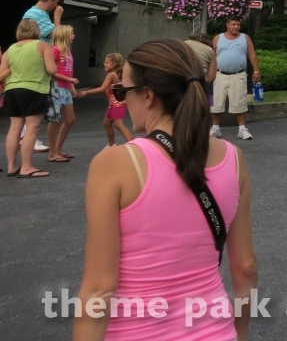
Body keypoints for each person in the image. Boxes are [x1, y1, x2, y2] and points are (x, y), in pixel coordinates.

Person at [75, 39, 257, 340]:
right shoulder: (233, 159)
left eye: (122, 91)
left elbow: (99, 288)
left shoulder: (117, 163)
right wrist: (238, 331)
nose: (121, 100)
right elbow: (246, 267)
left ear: (147, 95)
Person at [1, 19, 58, 178]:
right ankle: (27, 167)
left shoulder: (10, 49)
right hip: (34, 89)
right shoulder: (41, 46)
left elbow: (3, 71)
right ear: (36, 31)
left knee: (14, 128)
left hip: (12, 90)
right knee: (32, 128)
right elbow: (51, 69)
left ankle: (12, 166)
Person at [207, 17, 261, 141]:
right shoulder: (218, 38)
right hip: (219, 75)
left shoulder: (245, 38)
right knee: (216, 103)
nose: (236, 27)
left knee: (239, 102)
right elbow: (211, 55)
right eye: (233, 24)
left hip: (238, 75)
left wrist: (256, 70)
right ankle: (215, 128)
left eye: (238, 24)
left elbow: (252, 54)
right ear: (227, 25)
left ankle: (242, 129)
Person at [22, 0, 62, 153]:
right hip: (38, 61)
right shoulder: (37, 14)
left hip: (30, 60)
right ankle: (29, 137)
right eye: (56, 3)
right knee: (35, 106)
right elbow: (57, 35)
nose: (56, 6)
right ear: (52, 0)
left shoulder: (32, 13)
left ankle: (25, 136)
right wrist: (58, 17)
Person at [78, 53, 133, 147]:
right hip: (113, 104)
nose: (104, 64)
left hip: (117, 104)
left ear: (114, 64)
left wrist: (86, 92)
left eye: (107, 62)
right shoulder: (120, 74)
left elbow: (102, 88)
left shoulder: (111, 75)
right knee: (107, 123)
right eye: (105, 62)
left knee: (119, 124)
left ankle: (133, 145)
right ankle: (111, 145)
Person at [47, 24, 79, 162]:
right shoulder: (54, 50)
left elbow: (67, 70)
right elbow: (52, 72)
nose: (74, 36)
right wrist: (69, 79)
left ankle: (58, 149)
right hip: (57, 87)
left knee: (70, 119)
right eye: (71, 33)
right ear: (64, 35)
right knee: (55, 120)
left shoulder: (68, 52)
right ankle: (52, 152)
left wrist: (71, 86)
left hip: (66, 87)